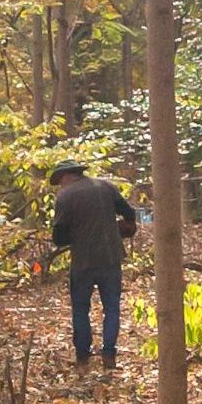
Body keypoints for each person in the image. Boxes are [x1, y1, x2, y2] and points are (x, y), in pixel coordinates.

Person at [46, 160, 140, 375]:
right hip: (110, 257)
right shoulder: (105, 186)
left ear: (66, 176)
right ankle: (109, 354)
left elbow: (58, 237)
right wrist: (123, 228)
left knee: (80, 309)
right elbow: (129, 212)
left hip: (83, 261)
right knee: (112, 308)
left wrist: (76, 235)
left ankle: (83, 356)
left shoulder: (65, 197)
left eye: (60, 181)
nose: (60, 186)